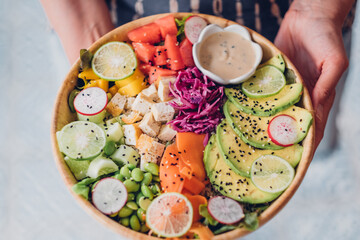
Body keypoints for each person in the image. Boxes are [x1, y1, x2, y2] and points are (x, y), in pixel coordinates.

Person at [40, 0, 355, 150]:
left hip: (290, 21)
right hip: (116, 23)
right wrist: (95, 40)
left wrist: (318, 10)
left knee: (309, 134)